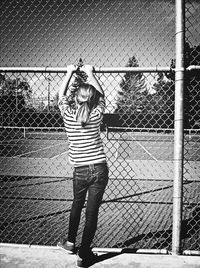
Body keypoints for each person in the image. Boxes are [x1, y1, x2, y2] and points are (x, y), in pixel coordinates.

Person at [57, 64, 109, 268]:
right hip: (99, 168)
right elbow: (103, 96)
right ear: (92, 99)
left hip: (80, 170)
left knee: (77, 205)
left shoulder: (68, 116)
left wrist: (69, 72)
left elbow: (60, 96)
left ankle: (70, 243)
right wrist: (91, 73)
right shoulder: (96, 115)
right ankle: (83, 254)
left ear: (76, 99)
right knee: (92, 213)